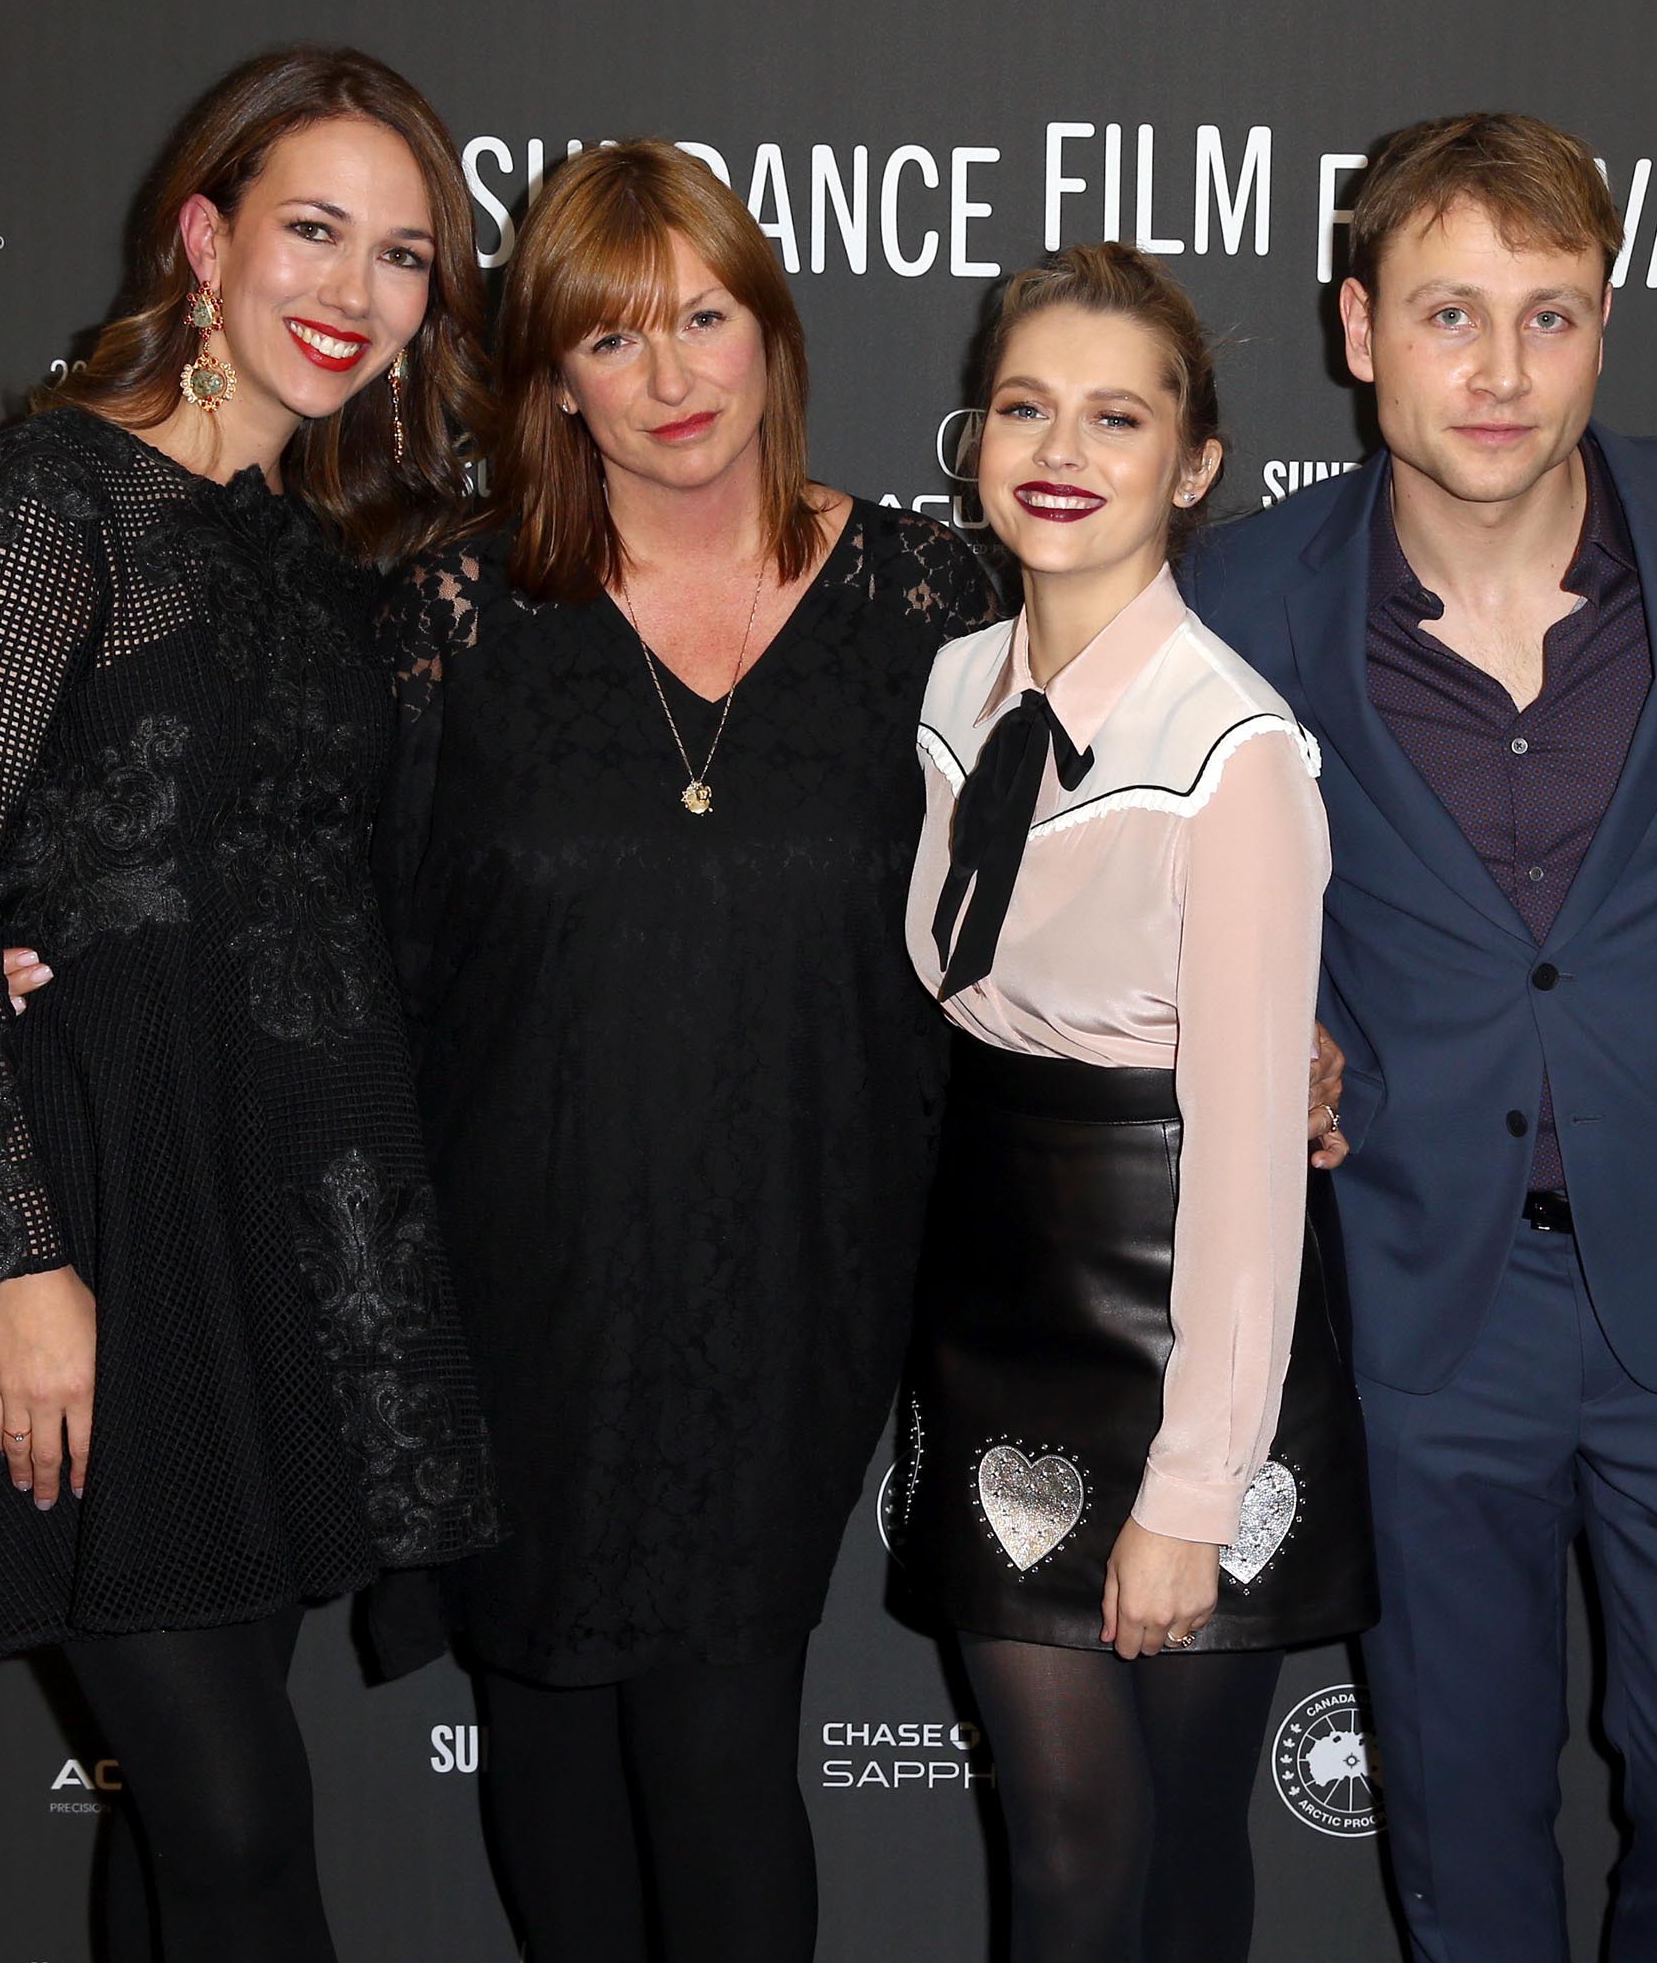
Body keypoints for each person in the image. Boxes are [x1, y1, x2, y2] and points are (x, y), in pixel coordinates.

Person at [0, 46, 499, 1963]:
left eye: (404, 257)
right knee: (241, 1819)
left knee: (189, 1817)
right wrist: (15, 1258)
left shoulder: (337, 558)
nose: (352, 292)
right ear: (202, 237)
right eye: (312, 231)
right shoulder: (43, 499)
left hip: (270, 1228)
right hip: (88, 1216)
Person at [1178, 114, 1657, 1961]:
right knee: (1462, 1822)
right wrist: (1258, 1027)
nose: (1502, 371)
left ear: (1607, 327)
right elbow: (1135, 889)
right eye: (1452, 314)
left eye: (1551, 316)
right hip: (1427, 1303)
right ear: (1359, 327)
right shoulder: (1240, 599)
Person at [367, 141, 996, 1963]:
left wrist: (1283, 1024)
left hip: (793, 1281)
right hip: (518, 1299)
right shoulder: (452, 623)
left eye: (706, 319)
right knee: (549, 1755)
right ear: (550, 372)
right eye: (616, 340)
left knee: (725, 1758)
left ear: (771, 328)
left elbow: (1112, 850)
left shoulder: (935, 603)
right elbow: (331, 926)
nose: (673, 382)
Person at [895, 240, 1379, 1963]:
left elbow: (1254, 1158)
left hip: (1191, 1330)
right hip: (992, 1313)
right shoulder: (954, 691)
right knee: (1067, 1849)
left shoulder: (1234, 751)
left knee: (1156, 1863)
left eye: (1119, 417)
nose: (1063, 449)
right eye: (1027, 405)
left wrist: (1192, 1486)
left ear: (1195, 468)